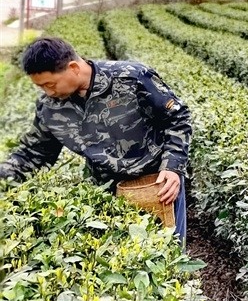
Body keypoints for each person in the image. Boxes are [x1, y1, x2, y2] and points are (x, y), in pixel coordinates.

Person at [0, 37, 192, 239]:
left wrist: (172, 166)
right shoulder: (49, 106)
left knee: (169, 249)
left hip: (157, 183)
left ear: (73, 67)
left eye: (50, 84)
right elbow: (33, 154)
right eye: (41, 87)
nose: (48, 92)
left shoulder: (131, 78)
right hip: (105, 190)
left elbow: (178, 118)